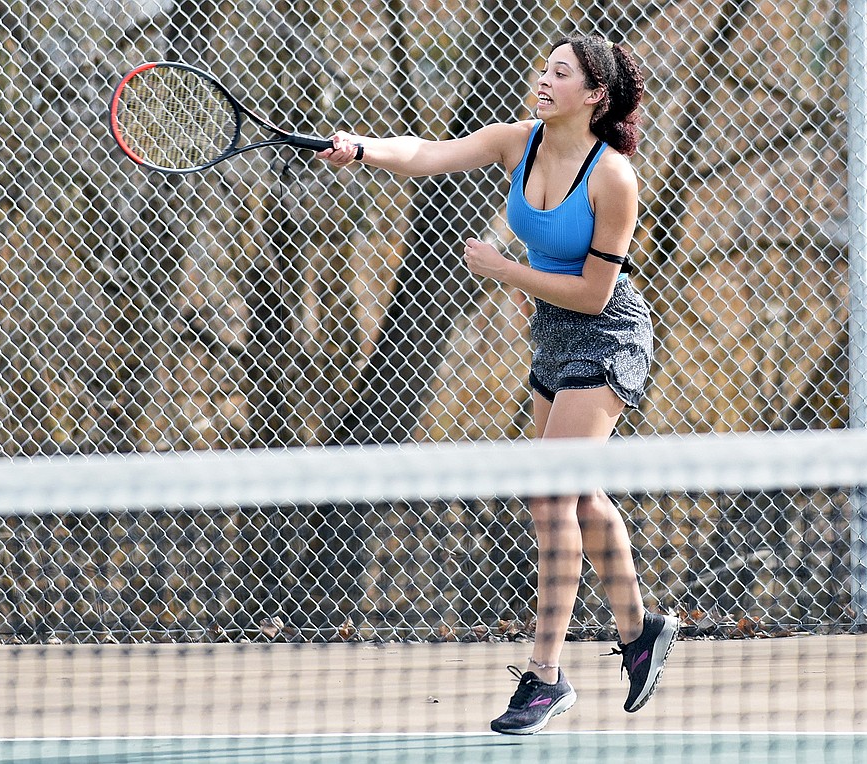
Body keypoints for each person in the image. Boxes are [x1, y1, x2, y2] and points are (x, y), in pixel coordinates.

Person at [319, 31, 677, 736]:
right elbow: (426, 154)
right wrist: (359, 146)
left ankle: (545, 677)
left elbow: (598, 297)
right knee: (581, 495)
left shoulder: (614, 179)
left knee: (551, 495)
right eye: (544, 68)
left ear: (595, 96)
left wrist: (507, 269)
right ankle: (639, 632)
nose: (544, 80)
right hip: (550, 334)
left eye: (561, 73)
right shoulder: (518, 141)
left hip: (606, 335)